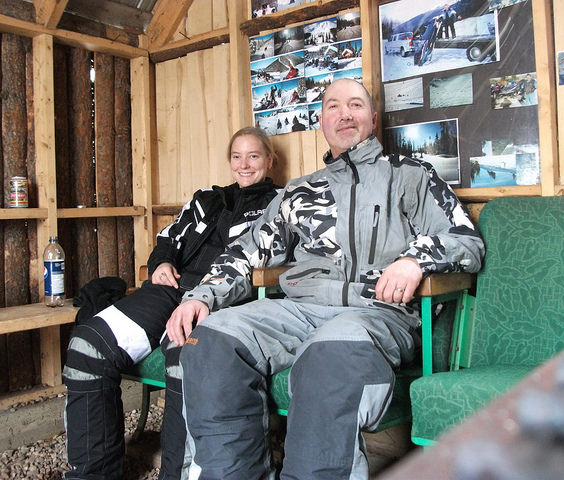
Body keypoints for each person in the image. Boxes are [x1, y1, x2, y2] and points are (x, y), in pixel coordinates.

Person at [171, 78, 485, 479]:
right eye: (334, 106)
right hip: (300, 308)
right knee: (211, 340)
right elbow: (247, 251)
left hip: (374, 312)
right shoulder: (300, 192)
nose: (345, 114)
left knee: (328, 359)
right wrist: (202, 296)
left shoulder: (409, 175)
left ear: (373, 119)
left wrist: (415, 261)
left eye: (355, 105)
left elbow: (465, 240)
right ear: (321, 120)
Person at [61, 127, 281, 480]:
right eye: (237, 156)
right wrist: (161, 262)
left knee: (186, 354)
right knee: (88, 345)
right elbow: (169, 237)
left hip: (222, 300)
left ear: (270, 160)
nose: (244, 164)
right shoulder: (206, 199)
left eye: (254, 156)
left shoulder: (280, 202)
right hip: (169, 289)